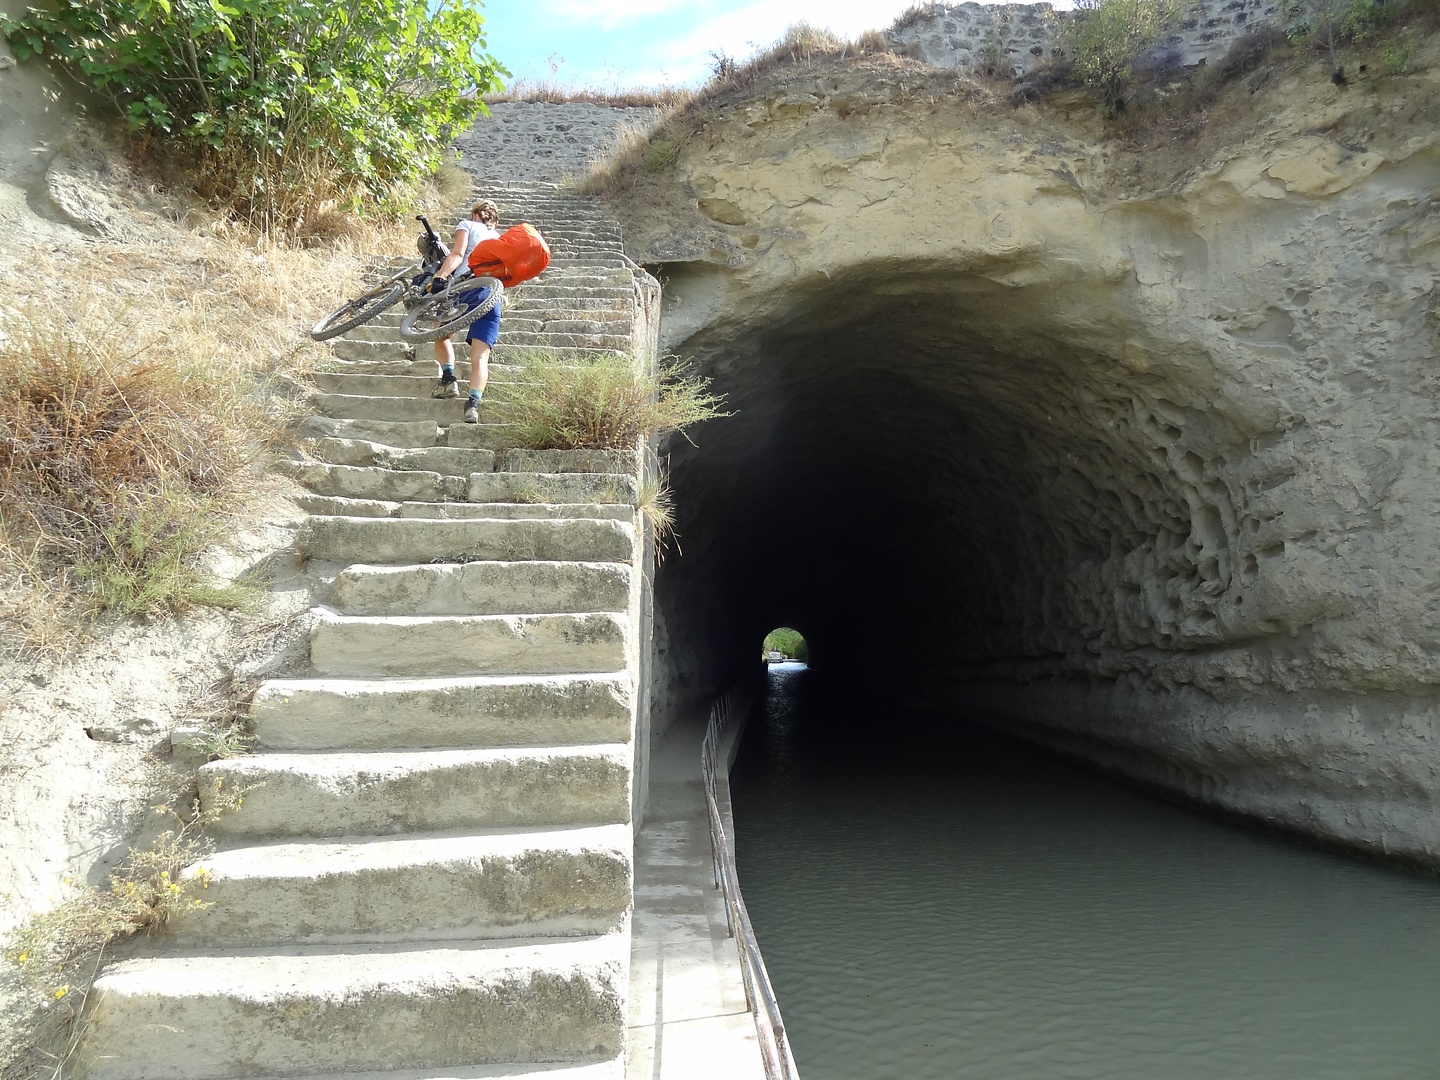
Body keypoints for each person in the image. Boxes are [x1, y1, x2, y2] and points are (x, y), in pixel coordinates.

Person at [428, 199, 502, 424]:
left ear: (475, 214)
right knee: (480, 357)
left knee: (439, 333)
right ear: (494, 219)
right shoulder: (500, 239)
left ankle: (449, 379)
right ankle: (473, 405)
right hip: (492, 296)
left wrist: (440, 277)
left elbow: (458, 255)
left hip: (467, 289)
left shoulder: (467, 225)